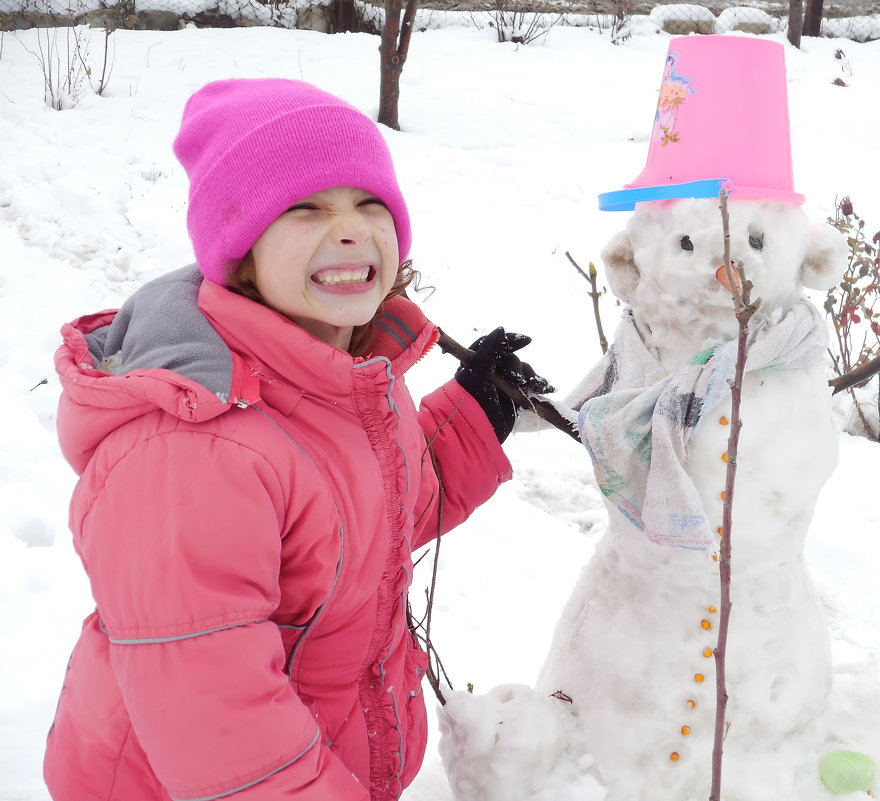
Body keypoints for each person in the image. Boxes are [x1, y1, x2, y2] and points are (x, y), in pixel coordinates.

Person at [43, 78, 551, 801]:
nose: (349, 228)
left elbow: (360, 529)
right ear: (241, 249)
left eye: (368, 202)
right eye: (305, 207)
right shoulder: (195, 450)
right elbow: (224, 731)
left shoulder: (341, 374)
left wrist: (473, 415)